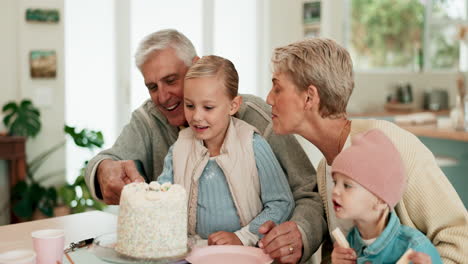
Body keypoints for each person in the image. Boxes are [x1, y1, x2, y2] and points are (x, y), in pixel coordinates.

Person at [84, 29, 327, 263]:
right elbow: (107, 161)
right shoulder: (149, 121)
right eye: (152, 87)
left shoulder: (254, 122)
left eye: (171, 80)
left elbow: (308, 192)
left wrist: (301, 232)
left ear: (195, 66)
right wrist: (103, 170)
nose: (163, 96)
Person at [263, 37, 468, 263]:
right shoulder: (325, 171)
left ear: (309, 97)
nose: (269, 98)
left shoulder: (392, 146)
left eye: (277, 88)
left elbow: (460, 240)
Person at [156, 55, 294, 246]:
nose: (196, 116)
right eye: (189, 105)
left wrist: (242, 237)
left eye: (208, 107)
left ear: (233, 106)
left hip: (244, 252)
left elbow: (281, 203)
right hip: (192, 252)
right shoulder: (179, 148)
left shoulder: (253, 144)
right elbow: (161, 197)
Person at [331, 129, 441, 264]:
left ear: (381, 200)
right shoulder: (350, 242)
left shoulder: (416, 248)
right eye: (335, 182)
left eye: (347, 185)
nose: (335, 190)